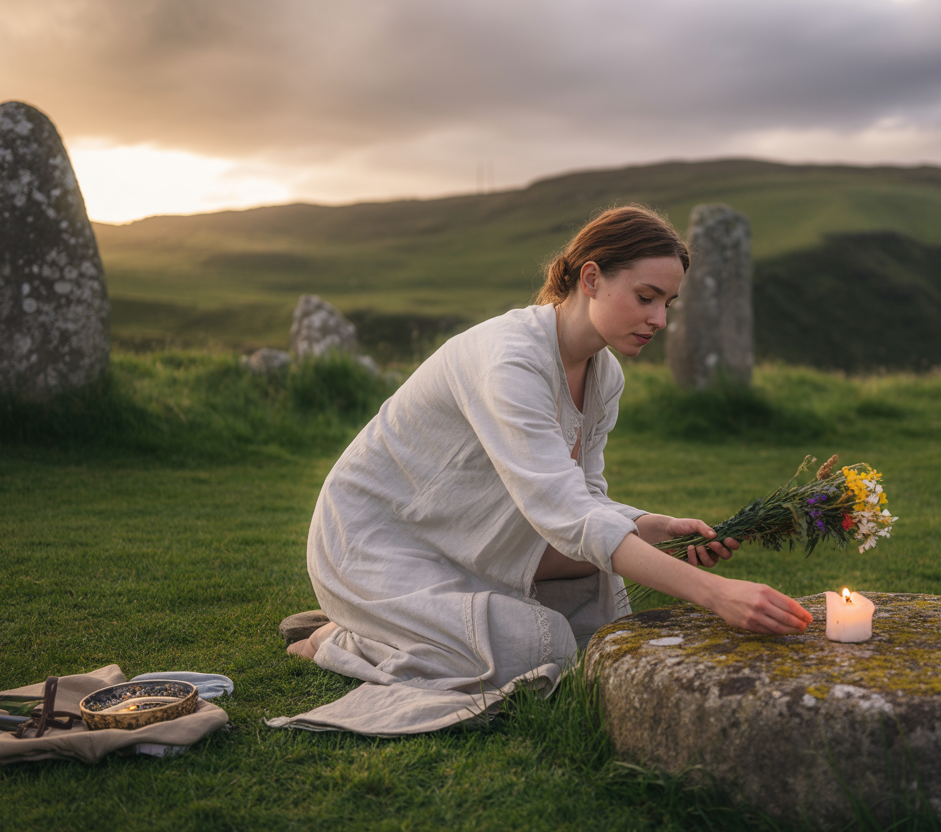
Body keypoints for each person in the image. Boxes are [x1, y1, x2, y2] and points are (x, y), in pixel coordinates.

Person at [271, 205, 812, 736]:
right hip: (371, 542)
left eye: (667, 303)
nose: (660, 321)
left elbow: (584, 498)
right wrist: (716, 594)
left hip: (457, 535)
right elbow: (568, 513)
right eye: (646, 298)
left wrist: (654, 524)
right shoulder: (511, 358)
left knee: (597, 588)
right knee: (543, 646)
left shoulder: (606, 376)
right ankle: (344, 637)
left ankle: (410, 624)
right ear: (592, 279)